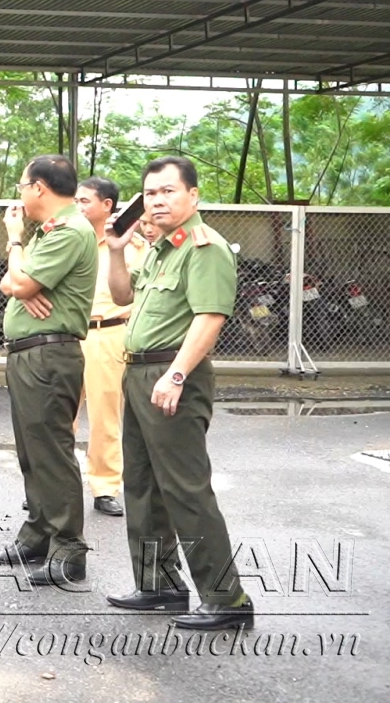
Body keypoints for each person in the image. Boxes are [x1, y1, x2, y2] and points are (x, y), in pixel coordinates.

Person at [104, 156, 254, 631]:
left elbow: (210, 317)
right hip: (139, 375)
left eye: (168, 191)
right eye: (150, 193)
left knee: (186, 490)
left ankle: (226, 598)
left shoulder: (203, 247)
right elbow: (124, 297)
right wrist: (113, 250)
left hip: (172, 376)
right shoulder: (161, 249)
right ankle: (159, 585)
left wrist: (176, 375)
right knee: (143, 487)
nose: (158, 200)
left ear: (193, 196)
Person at [0, 155, 96, 587]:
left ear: (40, 188)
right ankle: (38, 533)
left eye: (22, 186)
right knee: (32, 451)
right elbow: (10, 285)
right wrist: (21, 282)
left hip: (49, 355)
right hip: (31, 354)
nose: (20, 194)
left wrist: (14, 243)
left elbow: (22, 283)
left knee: (51, 452)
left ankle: (69, 548)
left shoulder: (69, 230)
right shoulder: (51, 232)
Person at [73, 177, 146, 517]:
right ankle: (52, 484)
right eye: (76, 200)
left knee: (106, 416)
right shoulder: (64, 240)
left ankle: (104, 487)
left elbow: (148, 289)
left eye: (85, 200)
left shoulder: (133, 247)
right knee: (57, 417)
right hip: (67, 334)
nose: (78, 206)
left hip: (109, 335)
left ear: (107, 206)